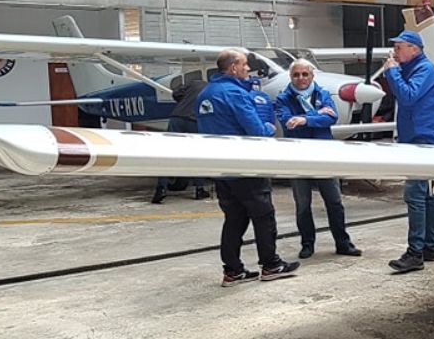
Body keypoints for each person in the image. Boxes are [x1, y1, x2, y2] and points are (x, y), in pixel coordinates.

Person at [196, 49, 299, 287]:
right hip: (246, 166)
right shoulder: (235, 93)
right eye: (244, 65)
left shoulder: (206, 93)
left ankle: (232, 270)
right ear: (233, 68)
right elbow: (256, 130)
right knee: (263, 217)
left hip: (221, 169)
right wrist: (269, 128)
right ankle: (271, 265)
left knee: (234, 219)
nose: (247, 69)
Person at [275, 59, 363, 259]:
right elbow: (288, 122)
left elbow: (331, 118)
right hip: (299, 158)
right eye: (296, 75)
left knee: (334, 201)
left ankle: (343, 243)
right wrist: (317, 116)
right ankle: (307, 244)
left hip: (324, 156)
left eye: (305, 74)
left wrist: (305, 119)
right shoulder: (282, 99)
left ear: (312, 76)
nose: (301, 78)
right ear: (291, 77)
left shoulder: (322, 93)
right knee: (303, 204)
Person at [383, 30, 434, 273]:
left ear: (414, 49)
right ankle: (431, 247)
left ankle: (415, 252)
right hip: (424, 138)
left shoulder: (424, 69)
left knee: (415, 195)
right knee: (428, 195)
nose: (395, 52)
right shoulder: (417, 69)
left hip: (423, 140)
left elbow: (408, 97)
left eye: (399, 47)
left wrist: (391, 71)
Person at [152, 78, 210, 204]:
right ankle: (199, 189)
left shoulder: (193, 82)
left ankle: (161, 188)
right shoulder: (213, 89)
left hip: (177, 118)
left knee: (168, 154)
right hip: (195, 120)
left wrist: (183, 102)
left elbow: (176, 93)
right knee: (197, 155)